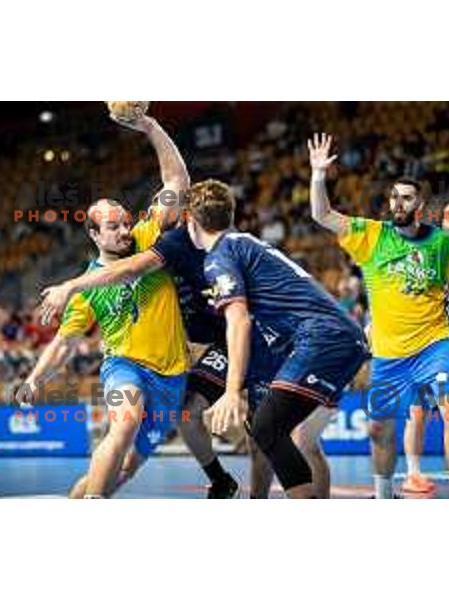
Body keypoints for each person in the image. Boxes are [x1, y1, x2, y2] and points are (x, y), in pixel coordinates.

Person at [40, 212, 336, 498]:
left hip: (267, 348)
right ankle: (219, 478)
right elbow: (125, 273)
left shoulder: (225, 250)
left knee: (280, 440)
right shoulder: (162, 249)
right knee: (187, 411)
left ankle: (261, 501)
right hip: (220, 350)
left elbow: (243, 317)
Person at [23, 112, 190, 498]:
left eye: (124, 221)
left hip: (172, 377)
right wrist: (34, 379)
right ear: (95, 234)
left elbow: (177, 182)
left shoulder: (149, 235)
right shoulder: (86, 289)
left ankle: (79, 500)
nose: (124, 230)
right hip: (123, 366)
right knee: (123, 423)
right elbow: (64, 343)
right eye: (113, 226)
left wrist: (150, 127)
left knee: (126, 469)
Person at [308, 132, 449, 499]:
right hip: (388, 353)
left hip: (434, 344)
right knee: (379, 430)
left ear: (421, 205)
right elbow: (321, 215)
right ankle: (384, 498)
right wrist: (318, 174)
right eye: (394, 196)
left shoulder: (442, 243)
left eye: (407, 198)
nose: (398, 203)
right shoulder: (372, 235)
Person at [184, 179, 368, 499]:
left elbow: (238, 320)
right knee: (272, 430)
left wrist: (230, 390)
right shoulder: (245, 242)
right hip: (337, 338)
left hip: (323, 337)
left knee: (268, 428)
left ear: (190, 220)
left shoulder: (219, 256)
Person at [402, 198, 449, 491]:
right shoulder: (431, 253)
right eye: (448, 216)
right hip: (431, 343)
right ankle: (413, 474)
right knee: (417, 410)